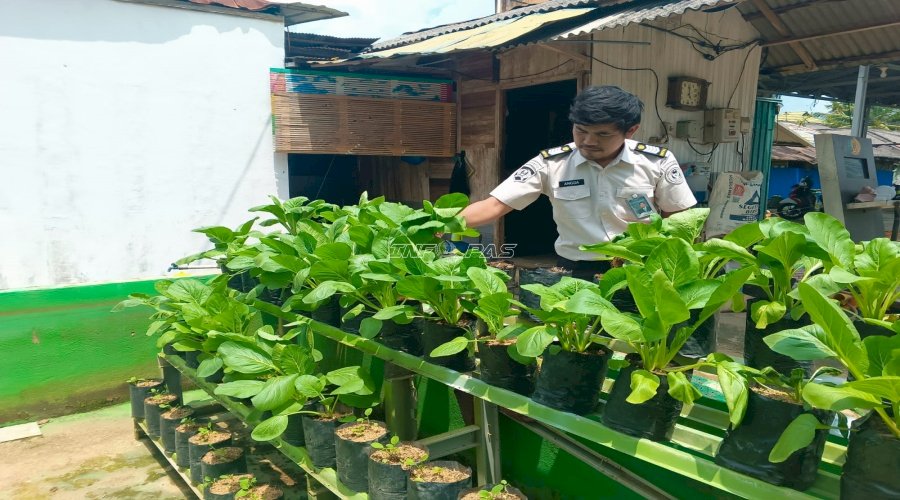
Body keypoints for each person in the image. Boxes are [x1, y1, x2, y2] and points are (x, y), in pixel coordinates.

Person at [460, 85, 697, 279]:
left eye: (603, 134)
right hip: (573, 271)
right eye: (581, 130)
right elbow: (494, 206)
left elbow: (678, 220)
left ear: (630, 131)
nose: (588, 141)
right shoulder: (551, 163)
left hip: (638, 269)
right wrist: (438, 224)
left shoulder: (657, 162)